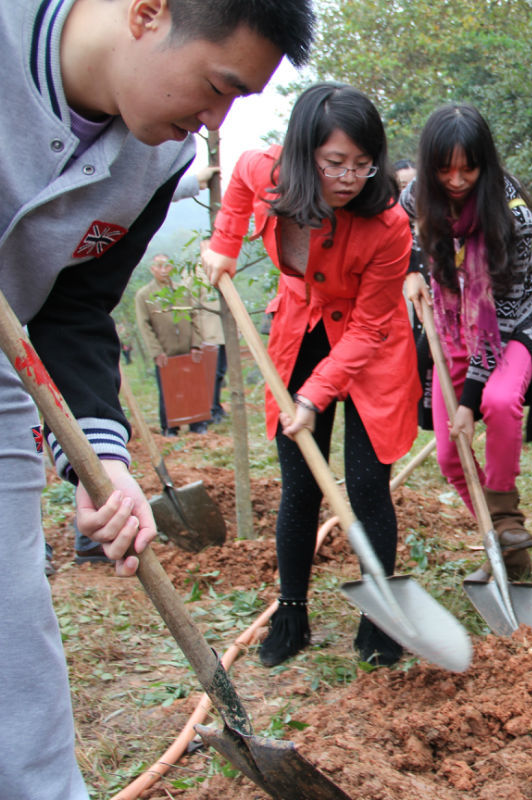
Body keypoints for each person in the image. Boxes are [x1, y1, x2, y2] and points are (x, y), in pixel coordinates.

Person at [0, 1, 313, 797]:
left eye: (235, 103)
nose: (214, 121)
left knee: (13, 617)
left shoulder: (154, 156)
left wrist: (106, 460)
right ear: (147, 13)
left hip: (6, 362)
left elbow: (74, 303)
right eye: (215, 86)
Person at [204, 83, 419, 668]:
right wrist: (224, 242)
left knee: (368, 486)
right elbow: (241, 183)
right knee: (299, 484)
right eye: (334, 163)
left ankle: (380, 616)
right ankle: (291, 612)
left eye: (362, 163)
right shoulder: (269, 171)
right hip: (300, 328)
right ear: (304, 156)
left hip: (369, 347)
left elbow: (372, 325)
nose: (350, 177)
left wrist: (317, 394)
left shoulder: (389, 223)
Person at [401, 104, 532, 581]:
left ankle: (506, 517)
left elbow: (500, 318)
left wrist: (468, 400)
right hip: (452, 332)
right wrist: (412, 268)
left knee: (498, 399)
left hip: (514, 329)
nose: (455, 179)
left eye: (467, 168)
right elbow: (399, 224)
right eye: (444, 168)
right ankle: (505, 545)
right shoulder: (417, 196)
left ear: (484, 164)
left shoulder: (511, 220)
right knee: (450, 457)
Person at [135, 253, 209, 436]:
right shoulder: (144, 295)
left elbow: (194, 317)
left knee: (193, 386)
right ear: (152, 269)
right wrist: (156, 351)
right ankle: (170, 427)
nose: (163, 270)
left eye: (166, 266)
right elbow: (144, 325)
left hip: (187, 347)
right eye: (158, 266)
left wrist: (196, 344)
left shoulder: (182, 291)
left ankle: (197, 424)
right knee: (169, 390)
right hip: (165, 351)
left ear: (171, 268)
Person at [192, 239, 228, 423]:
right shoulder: (195, 272)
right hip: (208, 335)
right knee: (210, 375)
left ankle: (217, 406)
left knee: (221, 372)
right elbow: (193, 306)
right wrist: (197, 338)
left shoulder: (225, 264)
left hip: (224, 333)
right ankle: (210, 410)